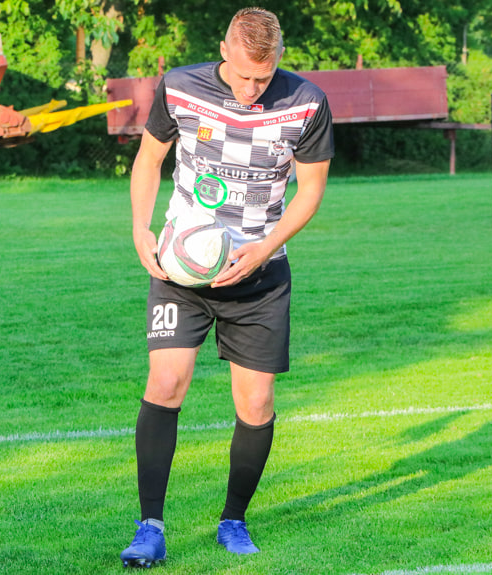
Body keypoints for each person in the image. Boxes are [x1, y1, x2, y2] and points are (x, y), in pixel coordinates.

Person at [120, 6, 334, 568]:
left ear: (278, 62)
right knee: (166, 382)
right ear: (224, 49)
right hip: (181, 272)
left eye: (262, 78)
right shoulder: (179, 87)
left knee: (257, 401)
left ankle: (233, 520)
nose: (250, 88)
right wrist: (140, 229)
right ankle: (150, 526)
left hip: (260, 274)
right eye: (242, 75)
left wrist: (263, 248)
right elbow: (148, 160)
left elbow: (310, 191)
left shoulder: (306, 101)